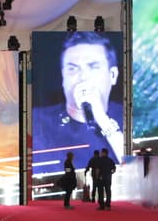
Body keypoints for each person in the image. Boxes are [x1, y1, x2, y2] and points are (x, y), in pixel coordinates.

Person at [32, 31, 125, 164]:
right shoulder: (37, 122)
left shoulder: (131, 118)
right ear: (63, 78)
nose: (83, 77)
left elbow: (145, 173)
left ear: (113, 75)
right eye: (73, 69)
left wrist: (102, 120)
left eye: (93, 67)